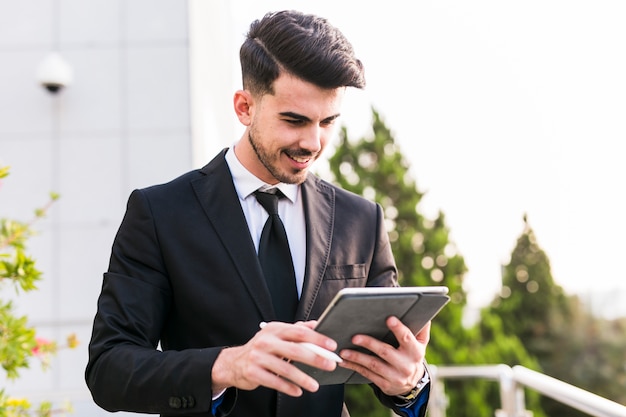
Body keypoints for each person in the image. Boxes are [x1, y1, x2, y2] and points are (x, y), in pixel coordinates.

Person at [85, 10, 432, 417]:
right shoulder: (159, 213)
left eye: (328, 122)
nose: (313, 142)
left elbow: (393, 364)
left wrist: (410, 383)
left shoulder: (362, 220)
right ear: (244, 107)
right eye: (294, 120)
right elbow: (108, 369)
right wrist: (226, 366)